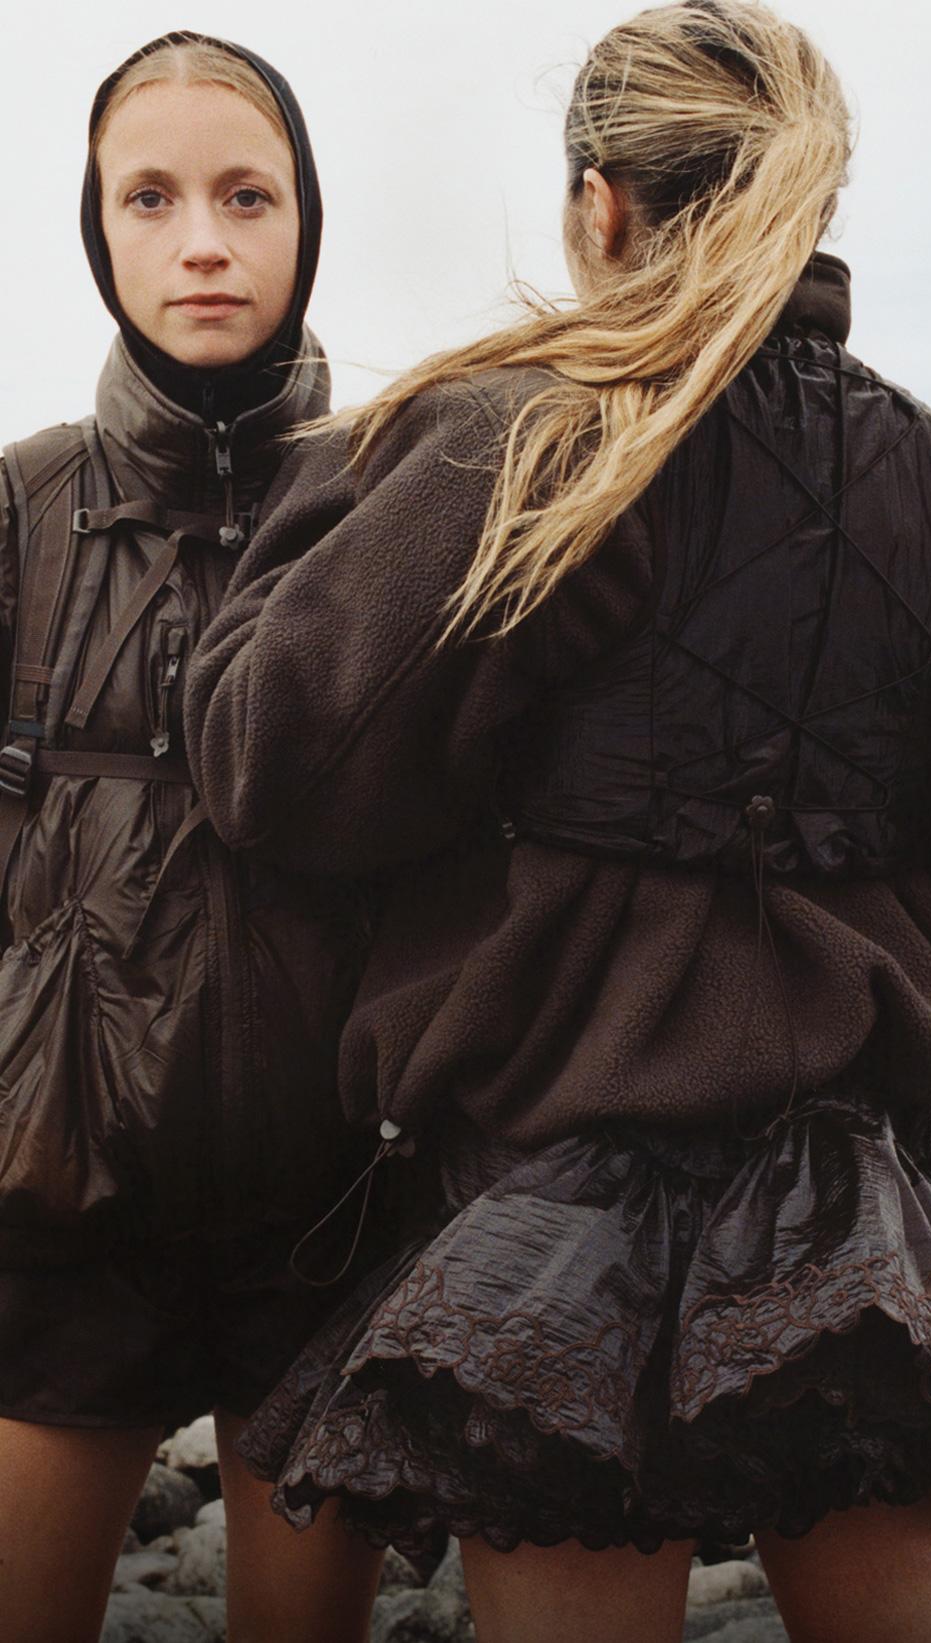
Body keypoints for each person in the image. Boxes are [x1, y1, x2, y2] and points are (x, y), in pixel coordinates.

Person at [185, 3, 931, 1639]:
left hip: (557, 1200)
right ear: (813, 201)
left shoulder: (519, 431)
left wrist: (326, 504)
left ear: (599, 208)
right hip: (866, 1190)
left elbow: (272, 765)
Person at [0, 32, 384, 1643]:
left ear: (308, 217)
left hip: (332, 1220)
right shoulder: (21, 506)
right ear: (97, 231)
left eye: (248, 195)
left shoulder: (391, 496)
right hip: (60, 1213)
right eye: (149, 199)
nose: (203, 242)